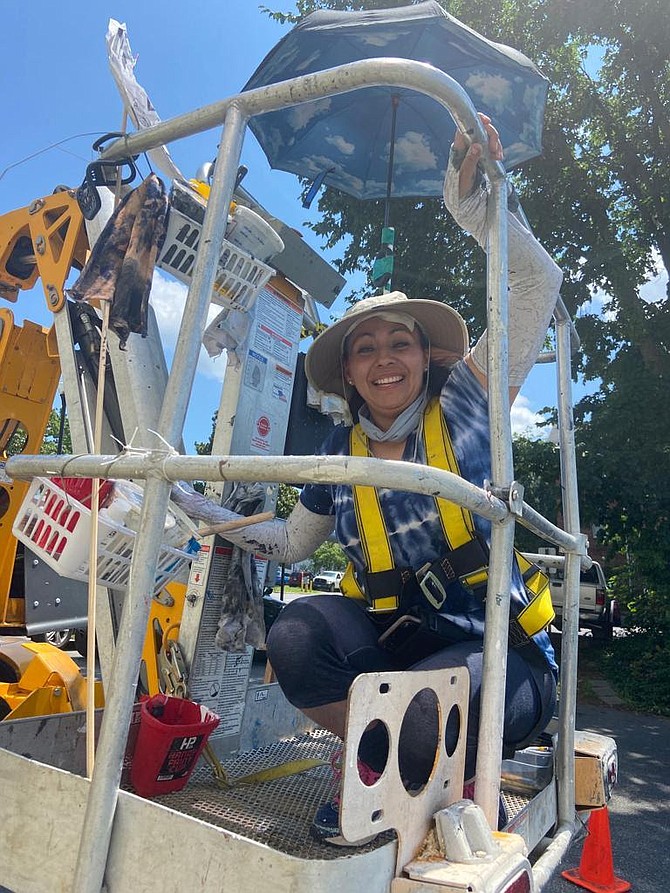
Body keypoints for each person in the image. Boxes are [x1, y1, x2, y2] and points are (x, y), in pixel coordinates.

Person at [173, 115, 562, 846]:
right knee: (293, 635)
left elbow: (537, 279)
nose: (386, 358)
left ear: (424, 354)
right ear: (347, 371)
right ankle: (385, 764)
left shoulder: (471, 398)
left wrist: (474, 206)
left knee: (421, 711)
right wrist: (191, 502)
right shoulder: (341, 450)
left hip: (502, 659)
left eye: (400, 342)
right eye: (367, 348)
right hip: (403, 652)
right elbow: (290, 543)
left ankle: (418, 770)